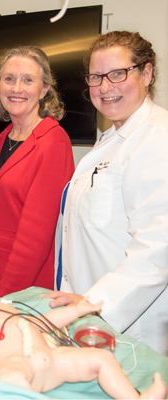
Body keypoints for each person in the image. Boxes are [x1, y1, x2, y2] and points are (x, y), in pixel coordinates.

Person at [44, 31, 168, 356]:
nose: (104, 87)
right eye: (96, 77)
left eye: (118, 74)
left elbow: (157, 251)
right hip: (90, 320)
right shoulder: (113, 137)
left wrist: (96, 305)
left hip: (126, 327)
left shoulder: (157, 140)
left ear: (147, 73)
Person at [0, 277, 167, 399]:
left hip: (54, 360)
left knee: (100, 359)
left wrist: (74, 311)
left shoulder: (12, 308)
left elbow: (45, 323)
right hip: (18, 362)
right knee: (7, 380)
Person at [0, 46, 74, 297]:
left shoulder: (54, 143)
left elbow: (35, 239)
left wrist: (8, 297)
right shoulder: (0, 141)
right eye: (9, 79)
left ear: (44, 90)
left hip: (20, 288)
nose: (17, 88)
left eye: (28, 80)